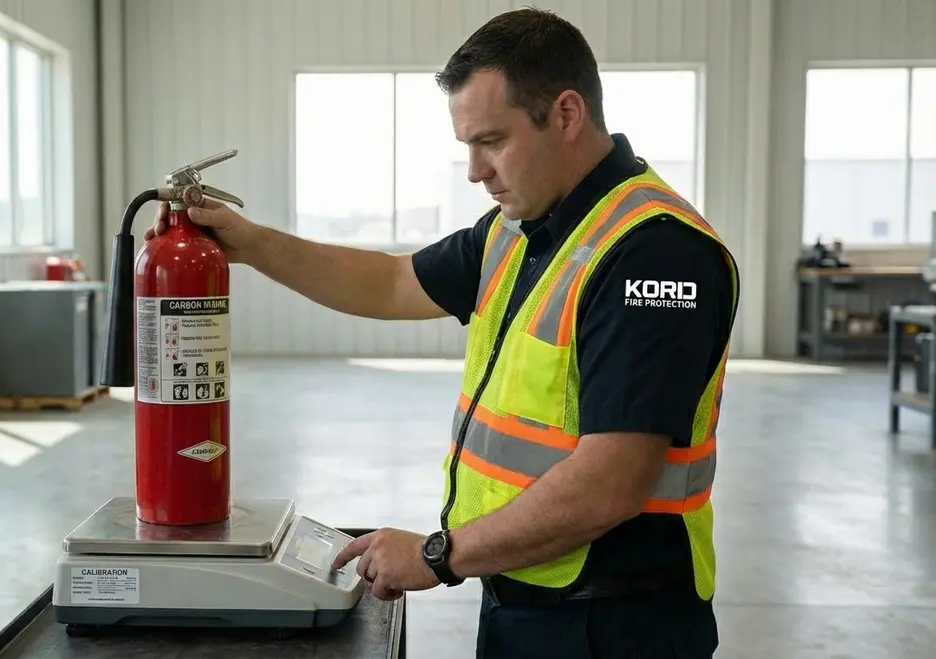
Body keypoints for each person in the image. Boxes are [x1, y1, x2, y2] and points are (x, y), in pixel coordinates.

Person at [146, 8, 738, 657]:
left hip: (616, 624)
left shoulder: (652, 252)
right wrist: (252, 244)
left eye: (492, 141)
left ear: (567, 114)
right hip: (525, 591)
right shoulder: (519, 232)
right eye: (468, 146)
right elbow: (392, 281)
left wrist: (438, 554)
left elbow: (610, 482)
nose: (475, 170)